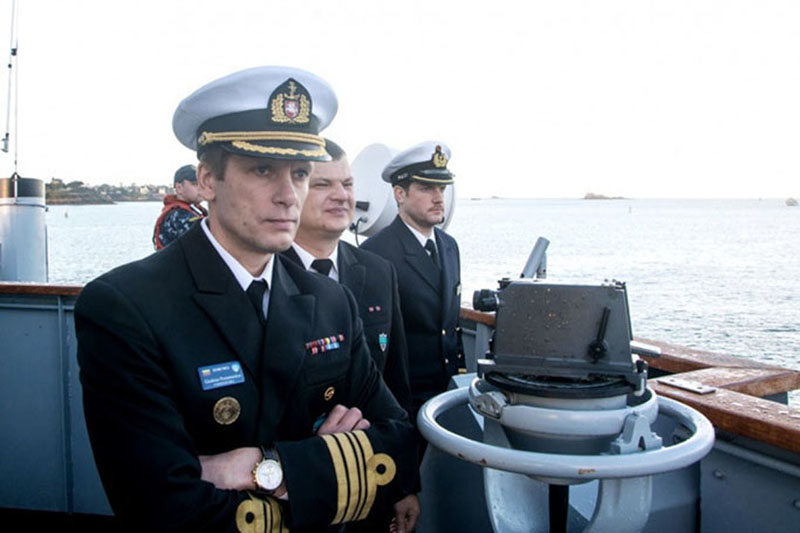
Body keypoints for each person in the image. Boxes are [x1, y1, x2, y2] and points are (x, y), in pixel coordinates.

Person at [75, 66, 414, 533]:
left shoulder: (331, 299)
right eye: (262, 170)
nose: (288, 196)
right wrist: (332, 466)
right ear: (209, 180)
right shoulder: (126, 307)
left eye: (298, 173)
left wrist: (265, 467)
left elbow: (398, 438)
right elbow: (158, 502)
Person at [280, 139, 419, 531]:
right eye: (323, 184)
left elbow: (396, 382)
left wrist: (405, 483)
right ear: (293, 191)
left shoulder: (378, 271)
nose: (342, 196)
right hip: (298, 491)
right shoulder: (265, 277)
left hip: (373, 477)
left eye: (348, 184)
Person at [360, 141, 465, 461]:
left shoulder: (449, 246)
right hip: (403, 404)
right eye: (426, 188)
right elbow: (374, 349)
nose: (438, 197)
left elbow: (450, 326)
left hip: (447, 394)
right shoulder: (375, 256)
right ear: (399, 194)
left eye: (442, 187)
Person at [152, 164, 208, 250]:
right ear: (179, 187)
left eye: (202, 183)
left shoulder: (196, 210)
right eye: (195, 184)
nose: (201, 187)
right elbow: (209, 242)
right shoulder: (179, 215)